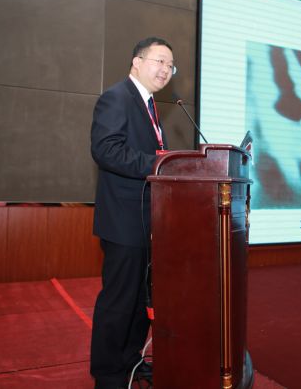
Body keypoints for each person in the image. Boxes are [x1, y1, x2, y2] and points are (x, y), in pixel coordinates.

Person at [90, 37, 175, 388]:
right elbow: (106, 150)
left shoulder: (149, 105)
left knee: (141, 300)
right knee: (119, 301)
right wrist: (160, 163)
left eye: (170, 66)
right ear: (137, 62)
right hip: (123, 221)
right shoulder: (117, 97)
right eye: (159, 61)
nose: (165, 70)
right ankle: (108, 374)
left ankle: (130, 361)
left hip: (147, 220)